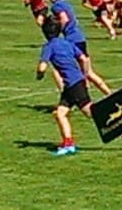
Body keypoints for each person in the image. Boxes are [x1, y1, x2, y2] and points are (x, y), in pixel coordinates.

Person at [36, 16, 95, 156]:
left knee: (91, 112)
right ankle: (68, 144)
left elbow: (42, 67)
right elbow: (83, 58)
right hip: (73, 84)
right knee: (59, 113)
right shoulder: (67, 43)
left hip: (73, 84)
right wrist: (85, 74)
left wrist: (39, 75)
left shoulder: (48, 47)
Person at [45, 0, 111, 95]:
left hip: (71, 39)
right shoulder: (65, 2)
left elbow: (64, 19)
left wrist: (55, 30)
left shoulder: (55, 6)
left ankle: (67, 98)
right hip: (79, 36)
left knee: (59, 71)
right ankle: (109, 94)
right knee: (88, 72)